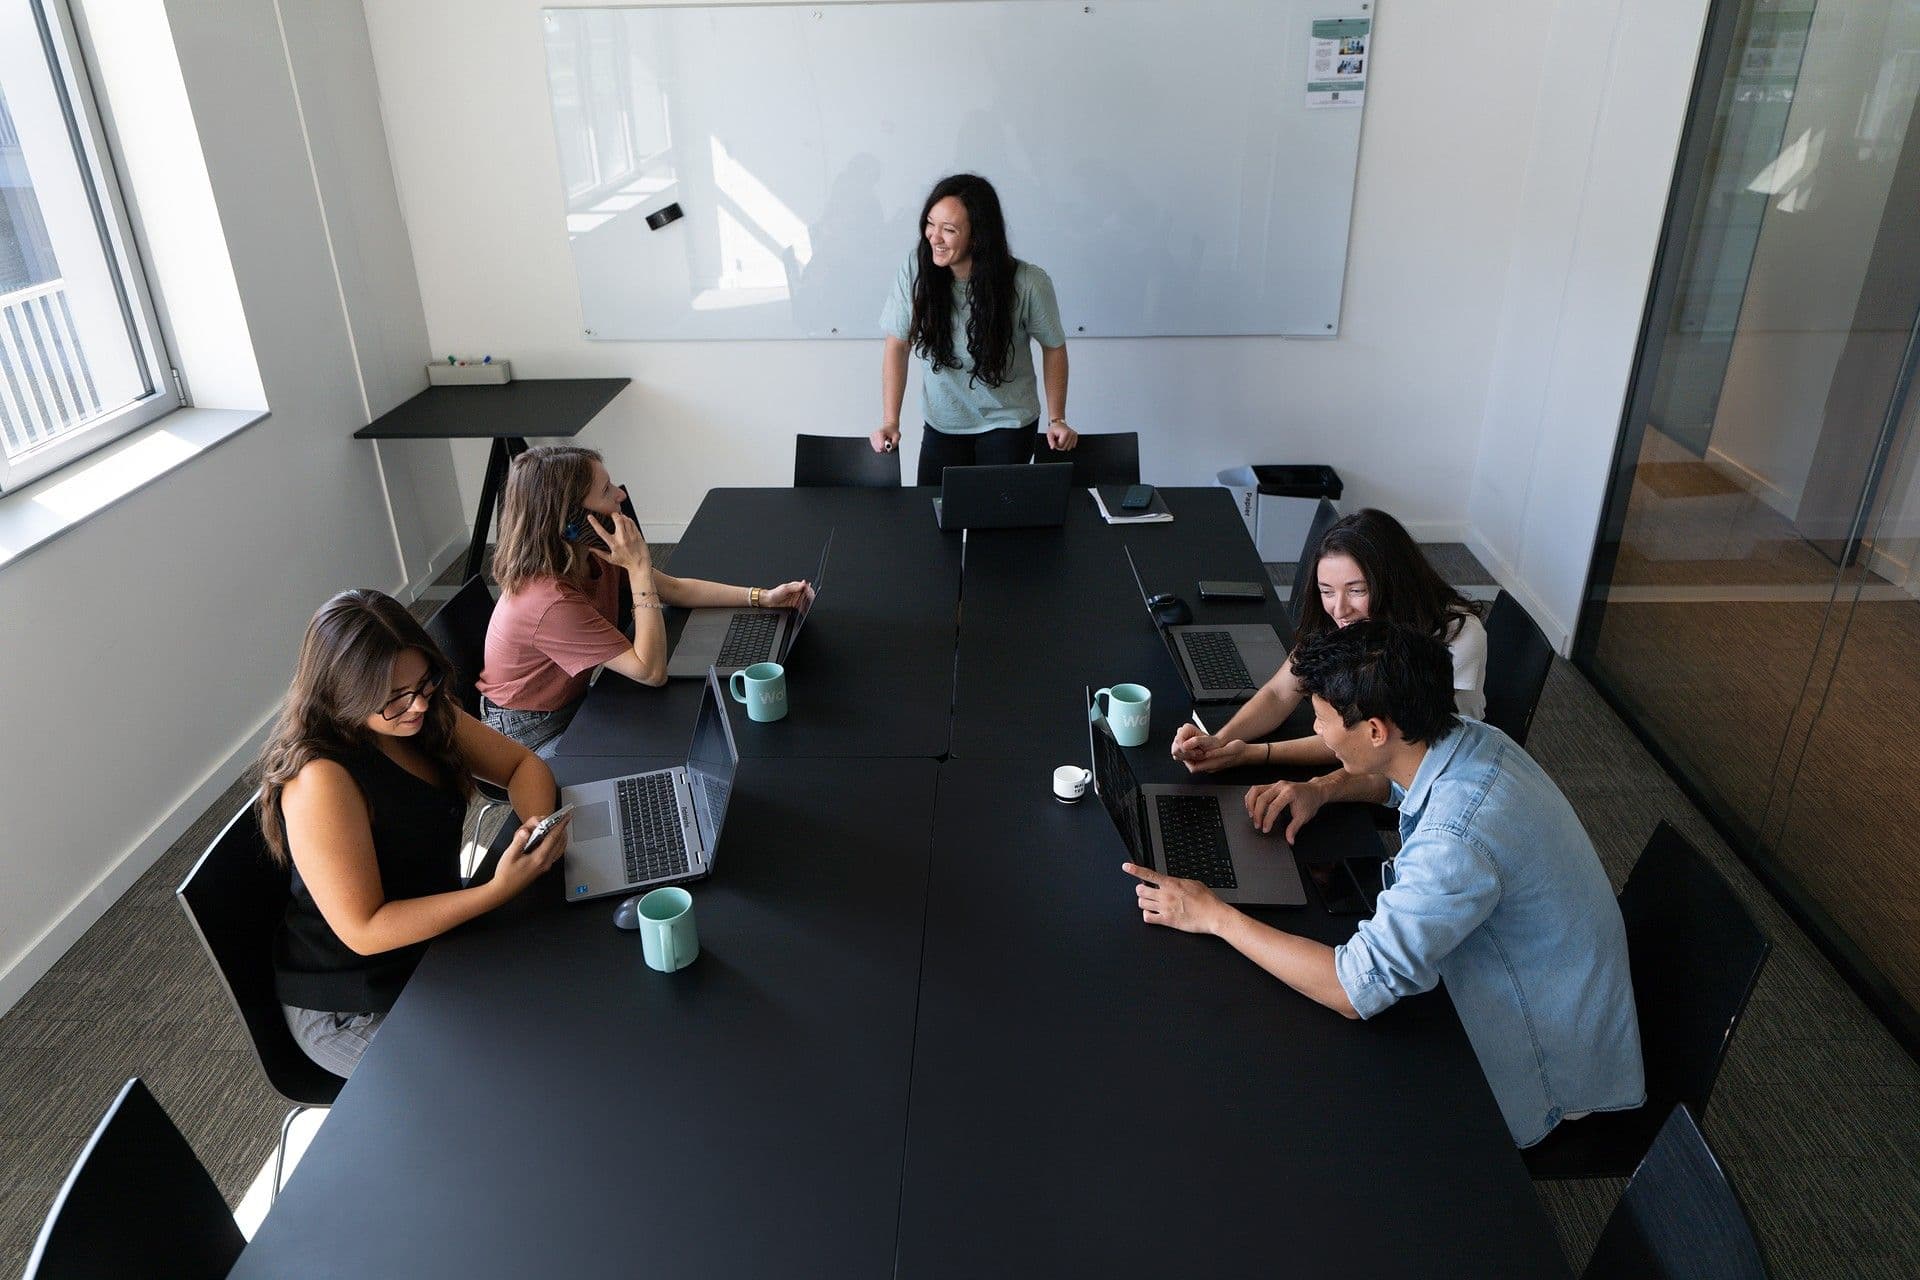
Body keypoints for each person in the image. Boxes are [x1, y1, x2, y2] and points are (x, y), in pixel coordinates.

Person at [1123, 620, 1644, 1147]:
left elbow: (1354, 988)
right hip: (1547, 986)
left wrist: (1211, 914)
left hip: (1541, 1063)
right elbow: (1401, 785)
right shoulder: (1463, 736)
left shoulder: (1455, 841)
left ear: (1375, 730)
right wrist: (1322, 790)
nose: (1319, 732)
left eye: (1323, 720)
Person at [260, 590, 571, 1077]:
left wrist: (532, 829)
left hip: (432, 944)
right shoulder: (320, 779)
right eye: (394, 698)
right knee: (505, 1074)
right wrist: (496, 891)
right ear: (341, 695)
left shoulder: (424, 716)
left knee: (557, 1000)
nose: (419, 704)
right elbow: (365, 930)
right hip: (354, 1000)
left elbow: (522, 765)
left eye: (424, 683)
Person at [475, 446, 810, 754]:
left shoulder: (592, 551)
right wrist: (637, 568)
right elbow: (651, 672)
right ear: (573, 523)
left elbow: (676, 589)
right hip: (529, 730)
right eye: (606, 491)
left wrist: (762, 597)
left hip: (573, 697)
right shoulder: (549, 601)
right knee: (653, 759)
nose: (621, 494)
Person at [1171, 508, 1486, 775]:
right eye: (1326, 590)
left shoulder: (1459, 635)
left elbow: (1383, 742)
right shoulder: (1344, 620)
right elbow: (1281, 693)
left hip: (1432, 767)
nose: (1339, 608)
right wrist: (1220, 741)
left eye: (1357, 590)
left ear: (1392, 584)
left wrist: (1251, 754)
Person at [869, 173, 1077, 482]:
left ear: (978, 236)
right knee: (935, 516)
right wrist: (890, 421)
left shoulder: (1028, 282)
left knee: (996, 523)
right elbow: (898, 344)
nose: (934, 237)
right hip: (943, 422)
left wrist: (1057, 418)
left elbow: (1054, 346)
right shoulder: (915, 269)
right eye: (930, 223)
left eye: (949, 229)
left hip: (1009, 422)